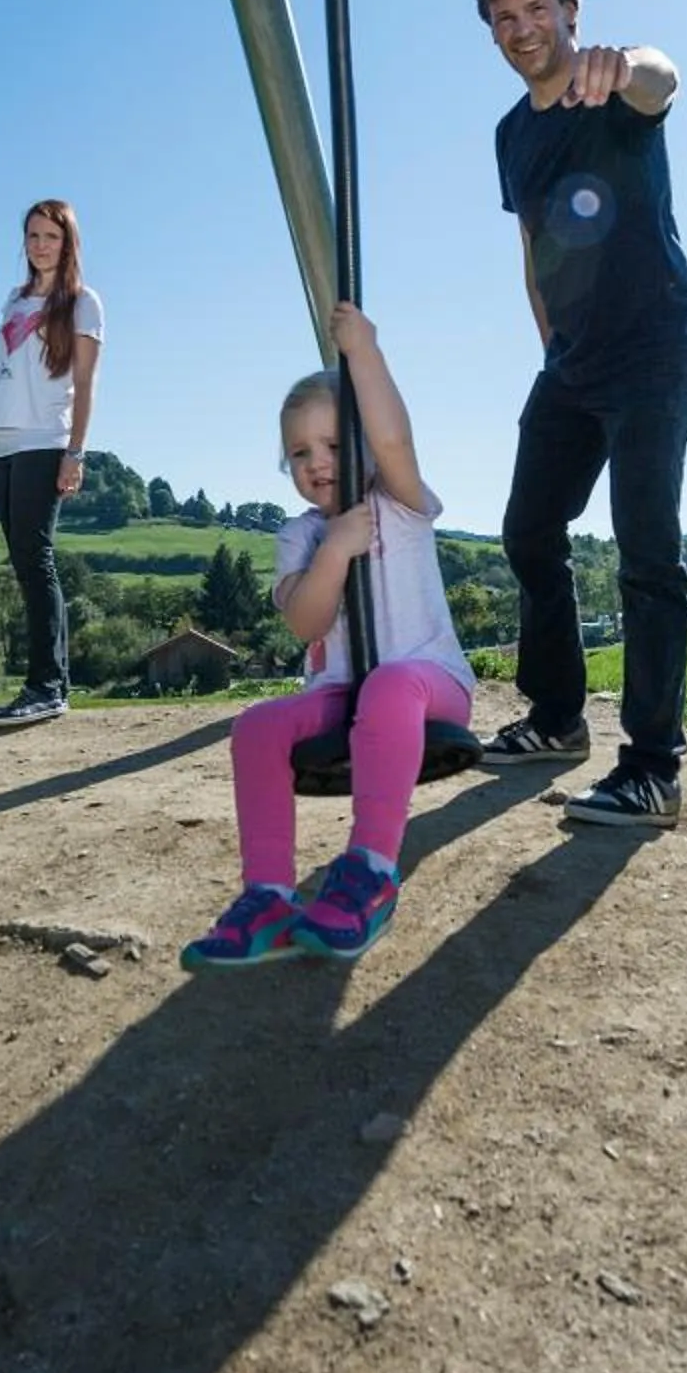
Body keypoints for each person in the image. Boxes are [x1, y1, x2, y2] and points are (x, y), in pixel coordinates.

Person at [473, 0, 687, 830]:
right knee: (530, 531)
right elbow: (533, 247)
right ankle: (559, 718)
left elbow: (664, 79)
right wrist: (550, 346)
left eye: (537, 9)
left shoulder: (616, 88)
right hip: (571, 364)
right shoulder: (510, 134)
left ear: (571, 10)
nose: (523, 28)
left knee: (646, 553)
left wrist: (629, 64)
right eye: (505, 17)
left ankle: (652, 768)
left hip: (654, 348)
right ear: (491, 32)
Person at [181, 305, 474, 971]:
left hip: (429, 686)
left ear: (364, 444)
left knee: (391, 684)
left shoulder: (396, 499)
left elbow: (395, 439)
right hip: (345, 694)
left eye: (335, 445)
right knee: (256, 726)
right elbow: (304, 623)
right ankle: (269, 896)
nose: (317, 463)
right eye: (299, 453)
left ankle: (370, 870)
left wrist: (363, 350)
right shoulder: (300, 536)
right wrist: (335, 551)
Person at [0, 199, 105, 726]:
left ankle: (47, 685)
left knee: (35, 557)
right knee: (23, 565)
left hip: (45, 440)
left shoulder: (83, 303)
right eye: (32, 236)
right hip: (1, 443)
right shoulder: (13, 300)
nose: (40, 245)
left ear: (68, 243)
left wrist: (75, 451)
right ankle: (47, 682)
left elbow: (86, 386)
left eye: (50, 236)